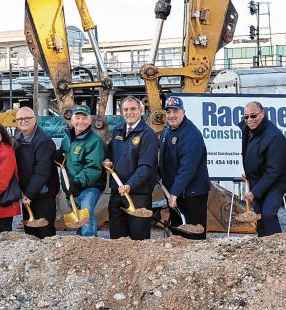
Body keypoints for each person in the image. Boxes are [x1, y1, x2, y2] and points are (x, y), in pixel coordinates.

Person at [104, 96, 159, 240]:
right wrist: (108, 160)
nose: (129, 112)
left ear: (141, 110)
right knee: (117, 238)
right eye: (126, 110)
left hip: (138, 195)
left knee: (138, 240)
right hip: (117, 193)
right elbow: (110, 153)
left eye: (133, 109)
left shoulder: (148, 135)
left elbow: (146, 167)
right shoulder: (118, 131)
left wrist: (130, 185)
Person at [159, 95, 210, 239]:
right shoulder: (167, 131)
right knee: (178, 234)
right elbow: (164, 159)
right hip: (175, 194)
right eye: (168, 112)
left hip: (191, 194)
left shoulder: (191, 134)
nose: (171, 115)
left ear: (183, 112)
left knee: (193, 234)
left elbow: (187, 168)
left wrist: (174, 192)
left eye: (175, 111)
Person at [239, 101, 286, 237]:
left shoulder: (275, 137)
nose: (249, 120)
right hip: (258, 180)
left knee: (268, 214)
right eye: (246, 117)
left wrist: (254, 192)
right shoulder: (248, 129)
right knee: (259, 216)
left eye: (253, 116)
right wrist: (249, 173)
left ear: (262, 114)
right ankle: (263, 246)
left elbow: (274, 171)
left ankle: (277, 246)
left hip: (276, 182)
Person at [59, 104, 106, 236]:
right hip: (72, 187)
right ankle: (81, 245)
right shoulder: (66, 140)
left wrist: (77, 182)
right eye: (77, 117)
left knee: (86, 212)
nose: (80, 121)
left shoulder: (95, 141)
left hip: (90, 185)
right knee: (79, 215)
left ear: (90, 120)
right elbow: (64, 163)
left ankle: (90, 245)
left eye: (84, 118)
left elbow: (93, 167)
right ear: (71, 119)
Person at [14, 107, 59, 238]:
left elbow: (42, 171)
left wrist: (29, 193)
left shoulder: (44, 141)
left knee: (45, 232)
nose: (23, 121)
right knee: (30, 233)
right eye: (20, 119)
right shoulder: (18, 139)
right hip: (27, 195)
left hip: (42, 195)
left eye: (27, 118)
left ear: (35, 119)